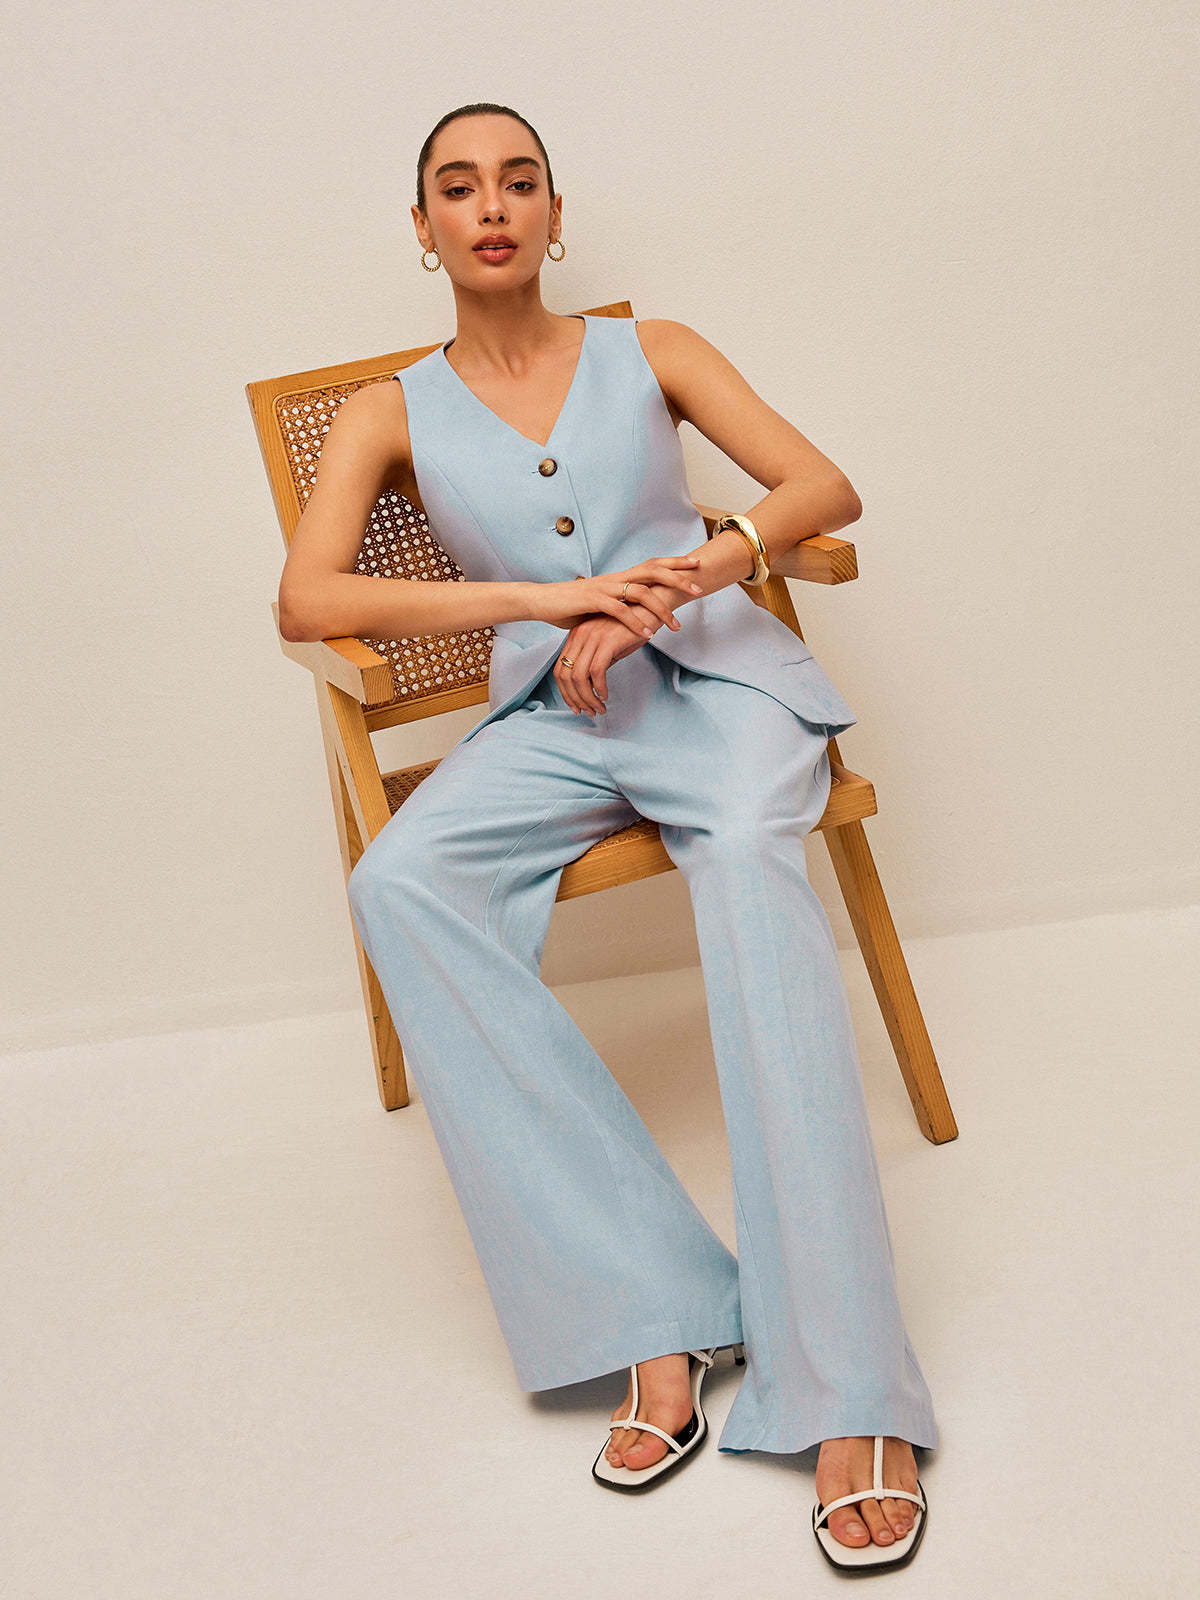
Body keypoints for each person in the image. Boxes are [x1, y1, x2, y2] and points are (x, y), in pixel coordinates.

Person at [278, 101, 937, 1572]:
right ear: (425, 228)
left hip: (721, 690)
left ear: (554, 213)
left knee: (751, 870)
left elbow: (819, 486)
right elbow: (306, 602)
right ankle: (654, 1307)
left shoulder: (656, 349)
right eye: (460, 187)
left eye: (518, 182)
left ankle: (850, 1389)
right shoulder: (390, 410)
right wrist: (543, 604)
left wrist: (683, 577)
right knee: (404, 881)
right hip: (558, 713)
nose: (492, 206)